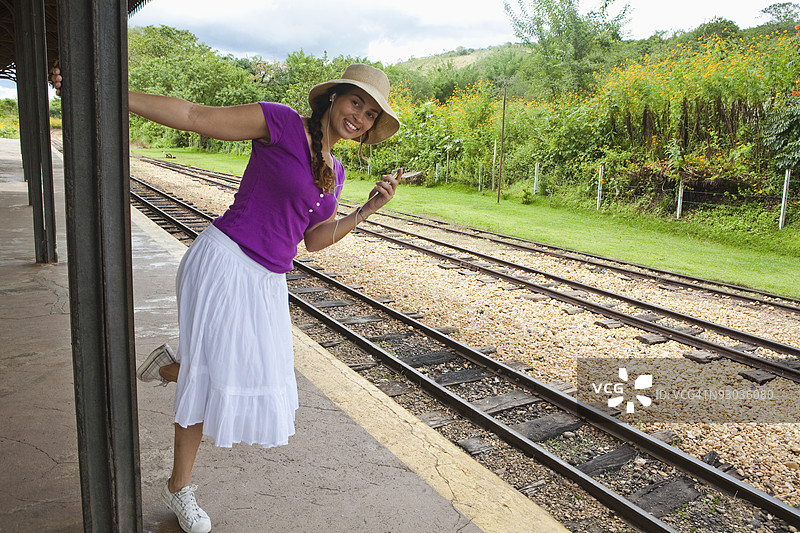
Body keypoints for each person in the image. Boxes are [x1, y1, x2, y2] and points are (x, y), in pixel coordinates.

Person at [51, 63, 402, 533]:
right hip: (224, 262)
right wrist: (105, 90)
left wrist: (366, 210)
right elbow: (195, 115)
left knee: (246, 375)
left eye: (370, 113)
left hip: (267, 282)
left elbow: (314, 240)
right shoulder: (279, 122)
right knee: (210, 380)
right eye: (356, 101)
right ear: (335, 98)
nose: (359, 115)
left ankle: (171, 365)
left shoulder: (334, 173)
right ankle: (180, 488)